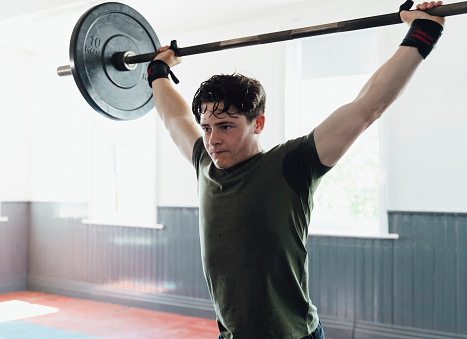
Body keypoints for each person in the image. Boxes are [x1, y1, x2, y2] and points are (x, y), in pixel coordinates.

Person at [148, 1, 445, 338]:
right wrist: (158, 71)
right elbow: (174, 118)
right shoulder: (205, 161)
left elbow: (367, 106)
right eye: (207, 127)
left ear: (257, 123)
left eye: (227, 126)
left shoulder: (292, 164)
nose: (213, 139)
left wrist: (423, 32)